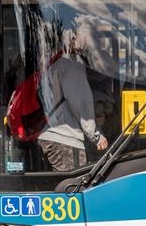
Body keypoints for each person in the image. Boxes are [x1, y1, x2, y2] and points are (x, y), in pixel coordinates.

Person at [36, 33, 108, 172]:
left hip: (48, 135)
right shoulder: (71, 64)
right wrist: (96, 136)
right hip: (66, 140)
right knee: (71, 188)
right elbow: (81, 103)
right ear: (73, 39)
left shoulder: (52, 62)